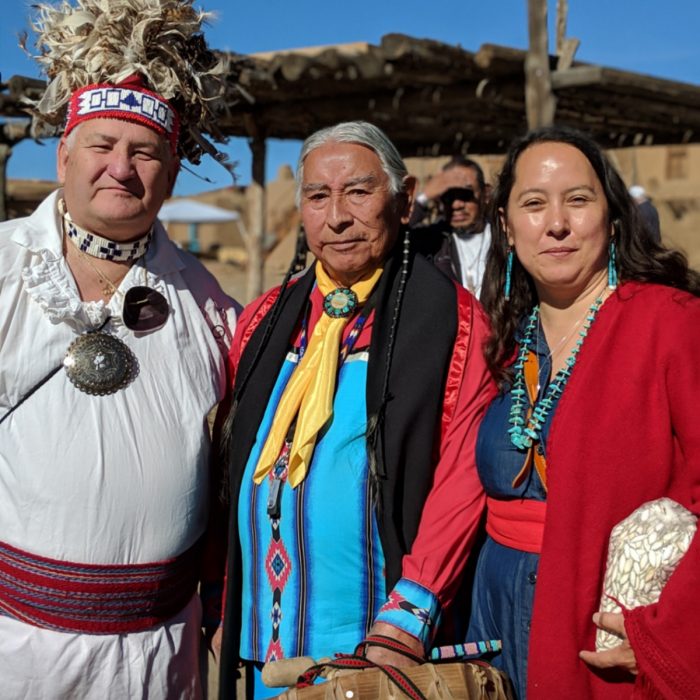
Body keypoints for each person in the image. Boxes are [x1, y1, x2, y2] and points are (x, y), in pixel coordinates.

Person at [0, 1, 240, 697]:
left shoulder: (208, 304)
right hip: (18, 652)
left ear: (169, 173)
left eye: (144, 153)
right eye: (102, 146)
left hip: (163, 658)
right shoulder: (6, 268)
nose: (121, 169)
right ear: (64, 153)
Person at [217, 121, 496, 698]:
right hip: (262, 660)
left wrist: (408, 615)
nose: (337, 216)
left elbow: (465, 476)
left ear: (405, 197)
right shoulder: (265, 321)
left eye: (359, 192)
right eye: (318, 196)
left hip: (377, 656)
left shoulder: (455, 325)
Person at [467, 124, 700, 698]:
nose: (557, 224)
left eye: (578, 199)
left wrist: (669, 629)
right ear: (505, 224)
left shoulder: (671, 322)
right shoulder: (503, 339)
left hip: (601, 637)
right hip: (490, 623)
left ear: (613, 217)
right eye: (533, 203)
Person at [411, 156, 492, 298]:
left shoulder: (506, 237)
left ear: (485, 193)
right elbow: (391, 239)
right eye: (448, 196)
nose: (456, 205)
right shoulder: (433, 242)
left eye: (465, 194)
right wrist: (423, 198)